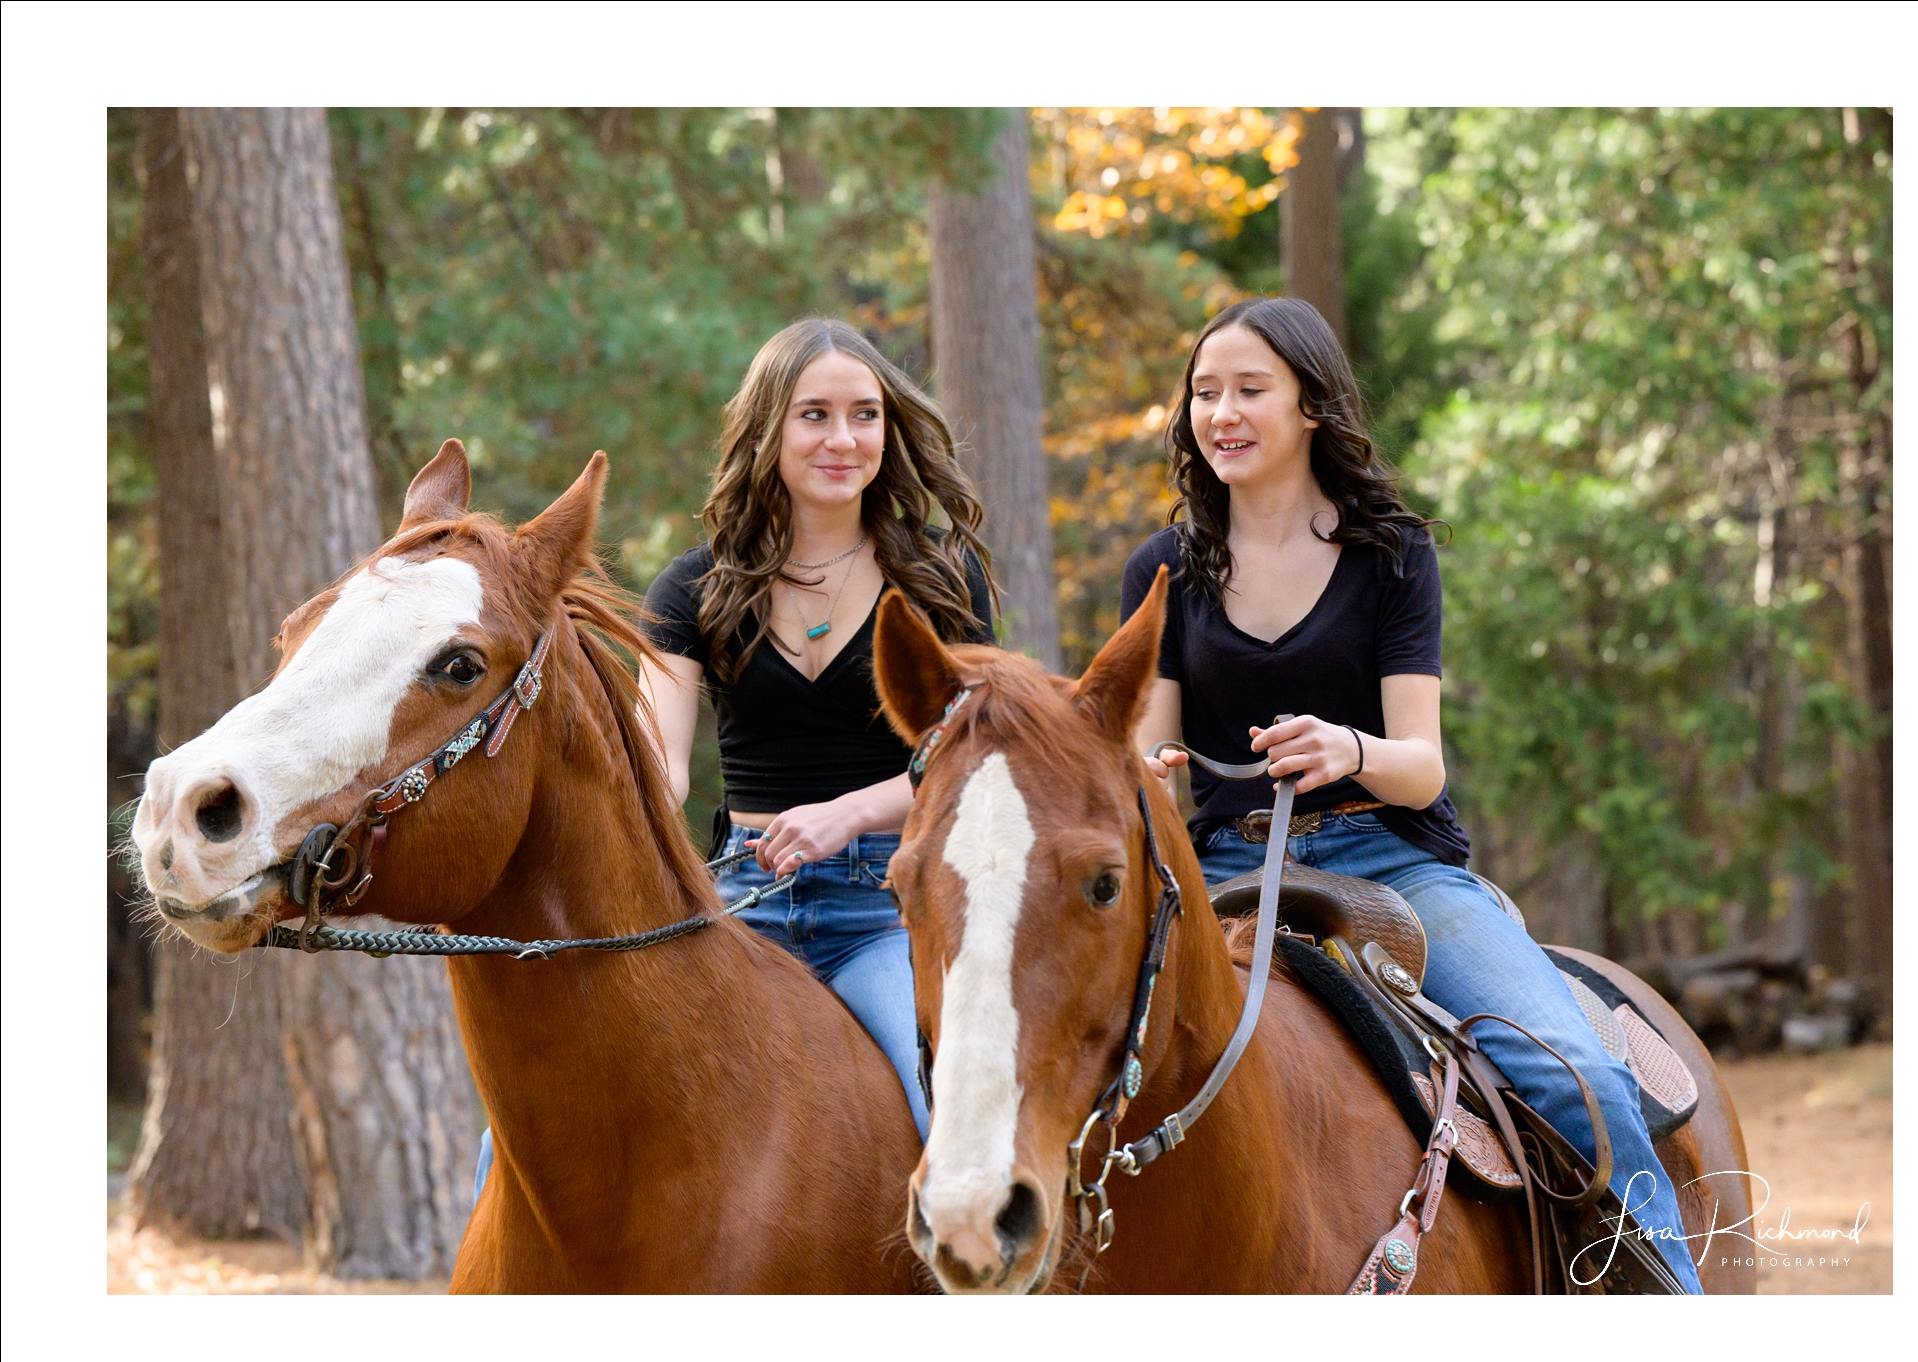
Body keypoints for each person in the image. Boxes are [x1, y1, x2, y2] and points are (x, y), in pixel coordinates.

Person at [1121, 296, 1704, 1293]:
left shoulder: (1391, 551)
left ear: (1311, 406)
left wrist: (1345, 747)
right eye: (1203, 392)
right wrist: (1148, 770)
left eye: (1248, 389)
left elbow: (1419, 763)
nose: (1219, 411)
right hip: (1220, 868)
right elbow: (1146, 750)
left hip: (1387, 861)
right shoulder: (1163, 566)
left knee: (1573, 1072)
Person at [642, 317, 994, 1144]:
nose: (844, 438)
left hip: (892, 906)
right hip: (740, 896)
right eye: (815, 415)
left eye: (864, 415)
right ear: (769, 429)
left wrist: (848, 815)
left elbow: (972, 757)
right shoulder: (694, 586)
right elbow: (658, 767)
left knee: (939, 1110)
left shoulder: (942, 577)